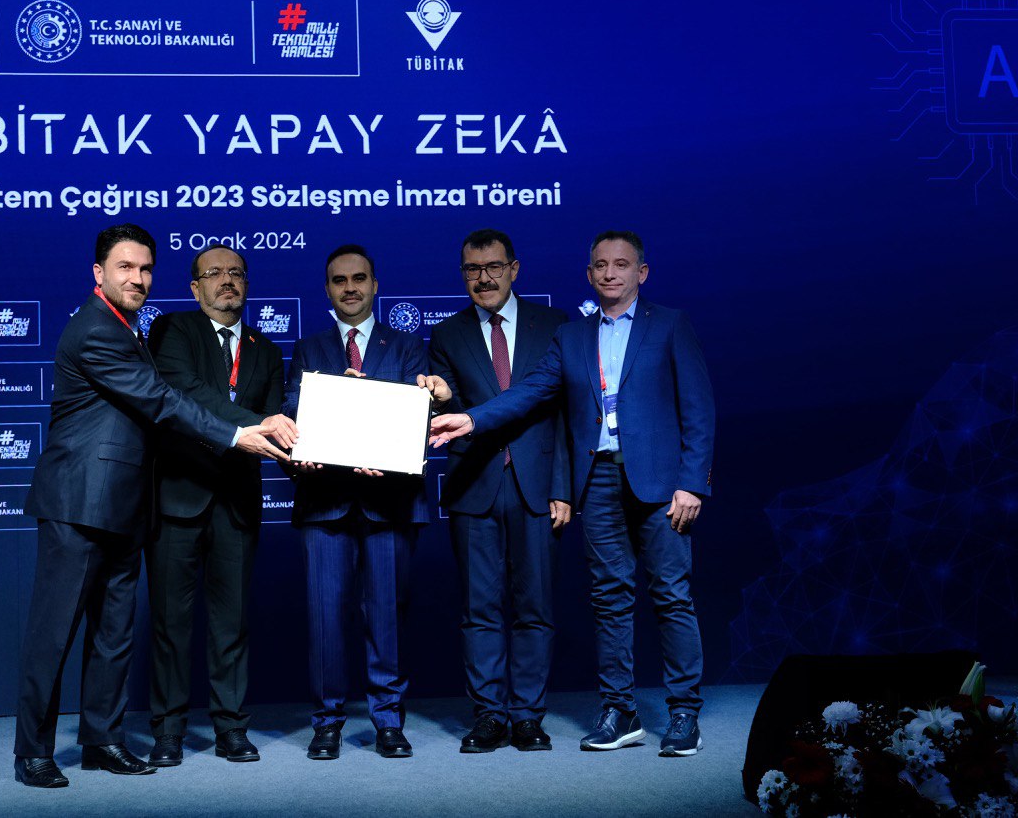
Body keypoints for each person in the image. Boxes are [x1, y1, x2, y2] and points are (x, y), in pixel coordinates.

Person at [13, 224, 296, 788]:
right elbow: (161, 399)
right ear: (99, 273)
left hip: (126, 505)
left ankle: (102, 740)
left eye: (145, 269)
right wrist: (236, 434)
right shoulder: (95, 329)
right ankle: (32, 752)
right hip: (79, 502)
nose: (138, 278)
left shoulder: (131, 329)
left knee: (114, 635)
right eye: (125, 267)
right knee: (55, 634)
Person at [428, 230, 715, 757]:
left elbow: (698, 407)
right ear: (588, 274)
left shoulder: (670, 324)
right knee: (609, 598)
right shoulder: (572, 335)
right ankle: (620, 711)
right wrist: (470, 419)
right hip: (598, 481)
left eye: (621, 264)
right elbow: (531, 393)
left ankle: (683, 712)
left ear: (641, 273)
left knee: (672, 596)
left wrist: (693, 481)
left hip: (660, 483)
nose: (610, 273)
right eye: (600, 265)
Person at [425, 228, 571, 753]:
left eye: (492, 267)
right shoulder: (446, 334)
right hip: (474, 486)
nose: (483, 278)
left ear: (514, 268)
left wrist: (563, 488)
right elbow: (448, 412)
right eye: (472, 269)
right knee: (480, 609)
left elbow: (567, 415)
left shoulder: (554, 325)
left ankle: (528, 716)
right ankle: (489, 714)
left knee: (535, 608)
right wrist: (442, 398)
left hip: (538, 486)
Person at [282, 245, 430, 760]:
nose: (350, 288)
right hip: (325, 501)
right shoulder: (308, 349)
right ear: (327, 289)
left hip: (389, 502)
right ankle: (327, 723)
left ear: (374, 284)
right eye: (339, 280)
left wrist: (373, 408)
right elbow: (291, 414)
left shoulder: (408, 346)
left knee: (386, 617)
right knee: (325, 621)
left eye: (359, 278)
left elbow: (419, 416)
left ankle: (388, 721)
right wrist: (327, 410)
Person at [145, 243, 285, 765]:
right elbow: (184, 393)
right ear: (195, 286)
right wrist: (258, 425)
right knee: (170, 624)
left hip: (237, 504)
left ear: (247, 284)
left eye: (236, 273)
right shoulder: (172, 331)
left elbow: (278, 426)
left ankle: (231, 728)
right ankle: (168, 732)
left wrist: (309, 447)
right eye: (215, 273)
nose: (227, 281)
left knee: (232, 623)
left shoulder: (267, 350)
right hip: (178, 498)